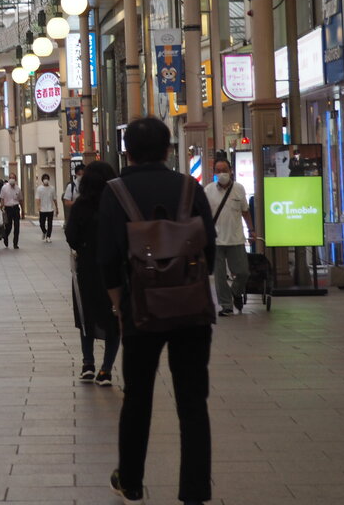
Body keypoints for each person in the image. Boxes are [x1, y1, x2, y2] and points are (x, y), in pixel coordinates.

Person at [99, 116, 216, 505]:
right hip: (192, 309)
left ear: (127, 151)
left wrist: (119, 303)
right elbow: (209, 248)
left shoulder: (115, 192)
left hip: (140, 309)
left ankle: (131, 482)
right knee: (192, 401)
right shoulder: (189, 187)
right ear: (168, 150)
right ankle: (195, 491)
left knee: (138, 397)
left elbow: (107, 258)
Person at [64, 161, 120, 386]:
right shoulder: (117, 204)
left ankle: (88, 364)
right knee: (113, 317)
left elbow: (71, 237)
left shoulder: (80, 205)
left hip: (87, 267)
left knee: (86, 315)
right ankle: (106, 370)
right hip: (113, 267)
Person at [205, 157, 255, 317]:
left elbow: (245, 211)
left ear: (231, 171)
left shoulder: (239, 189)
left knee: (243, 272)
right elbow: (204, 215)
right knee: (219, 276)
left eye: (224, 170)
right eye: (218, 171)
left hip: (236, 238)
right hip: (216, 240)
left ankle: (236, 292)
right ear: (214, 172)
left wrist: (251, 230)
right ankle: (226, 305)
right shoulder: (208, 190)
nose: (221, 173)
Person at [0, 174, 22, 249]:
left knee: (17, 226)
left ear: (16, 179)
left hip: (15, 208)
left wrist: (23, 210)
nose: (12, 179)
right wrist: (1, 208)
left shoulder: (18, 189)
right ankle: (5, 236)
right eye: (10, 178)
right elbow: (2, 198)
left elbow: (20, 200)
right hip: (7, 209)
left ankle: (15, 243)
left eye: (13, 178)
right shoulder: (4, 188)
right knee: (8, 226)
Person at [35, 173, 57, 242]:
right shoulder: (39, 189)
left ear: (48, 180)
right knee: (41, 223)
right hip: (42, 209)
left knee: (50, 223)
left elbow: (54, 199)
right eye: (44, 179)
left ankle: (48, 236)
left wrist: (57, 208)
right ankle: (44, 231)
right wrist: (38, 206)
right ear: (42, 180)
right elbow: (37, 199)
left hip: (50, 209)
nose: (46, 180)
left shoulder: (52, 188)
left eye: (47, 179)